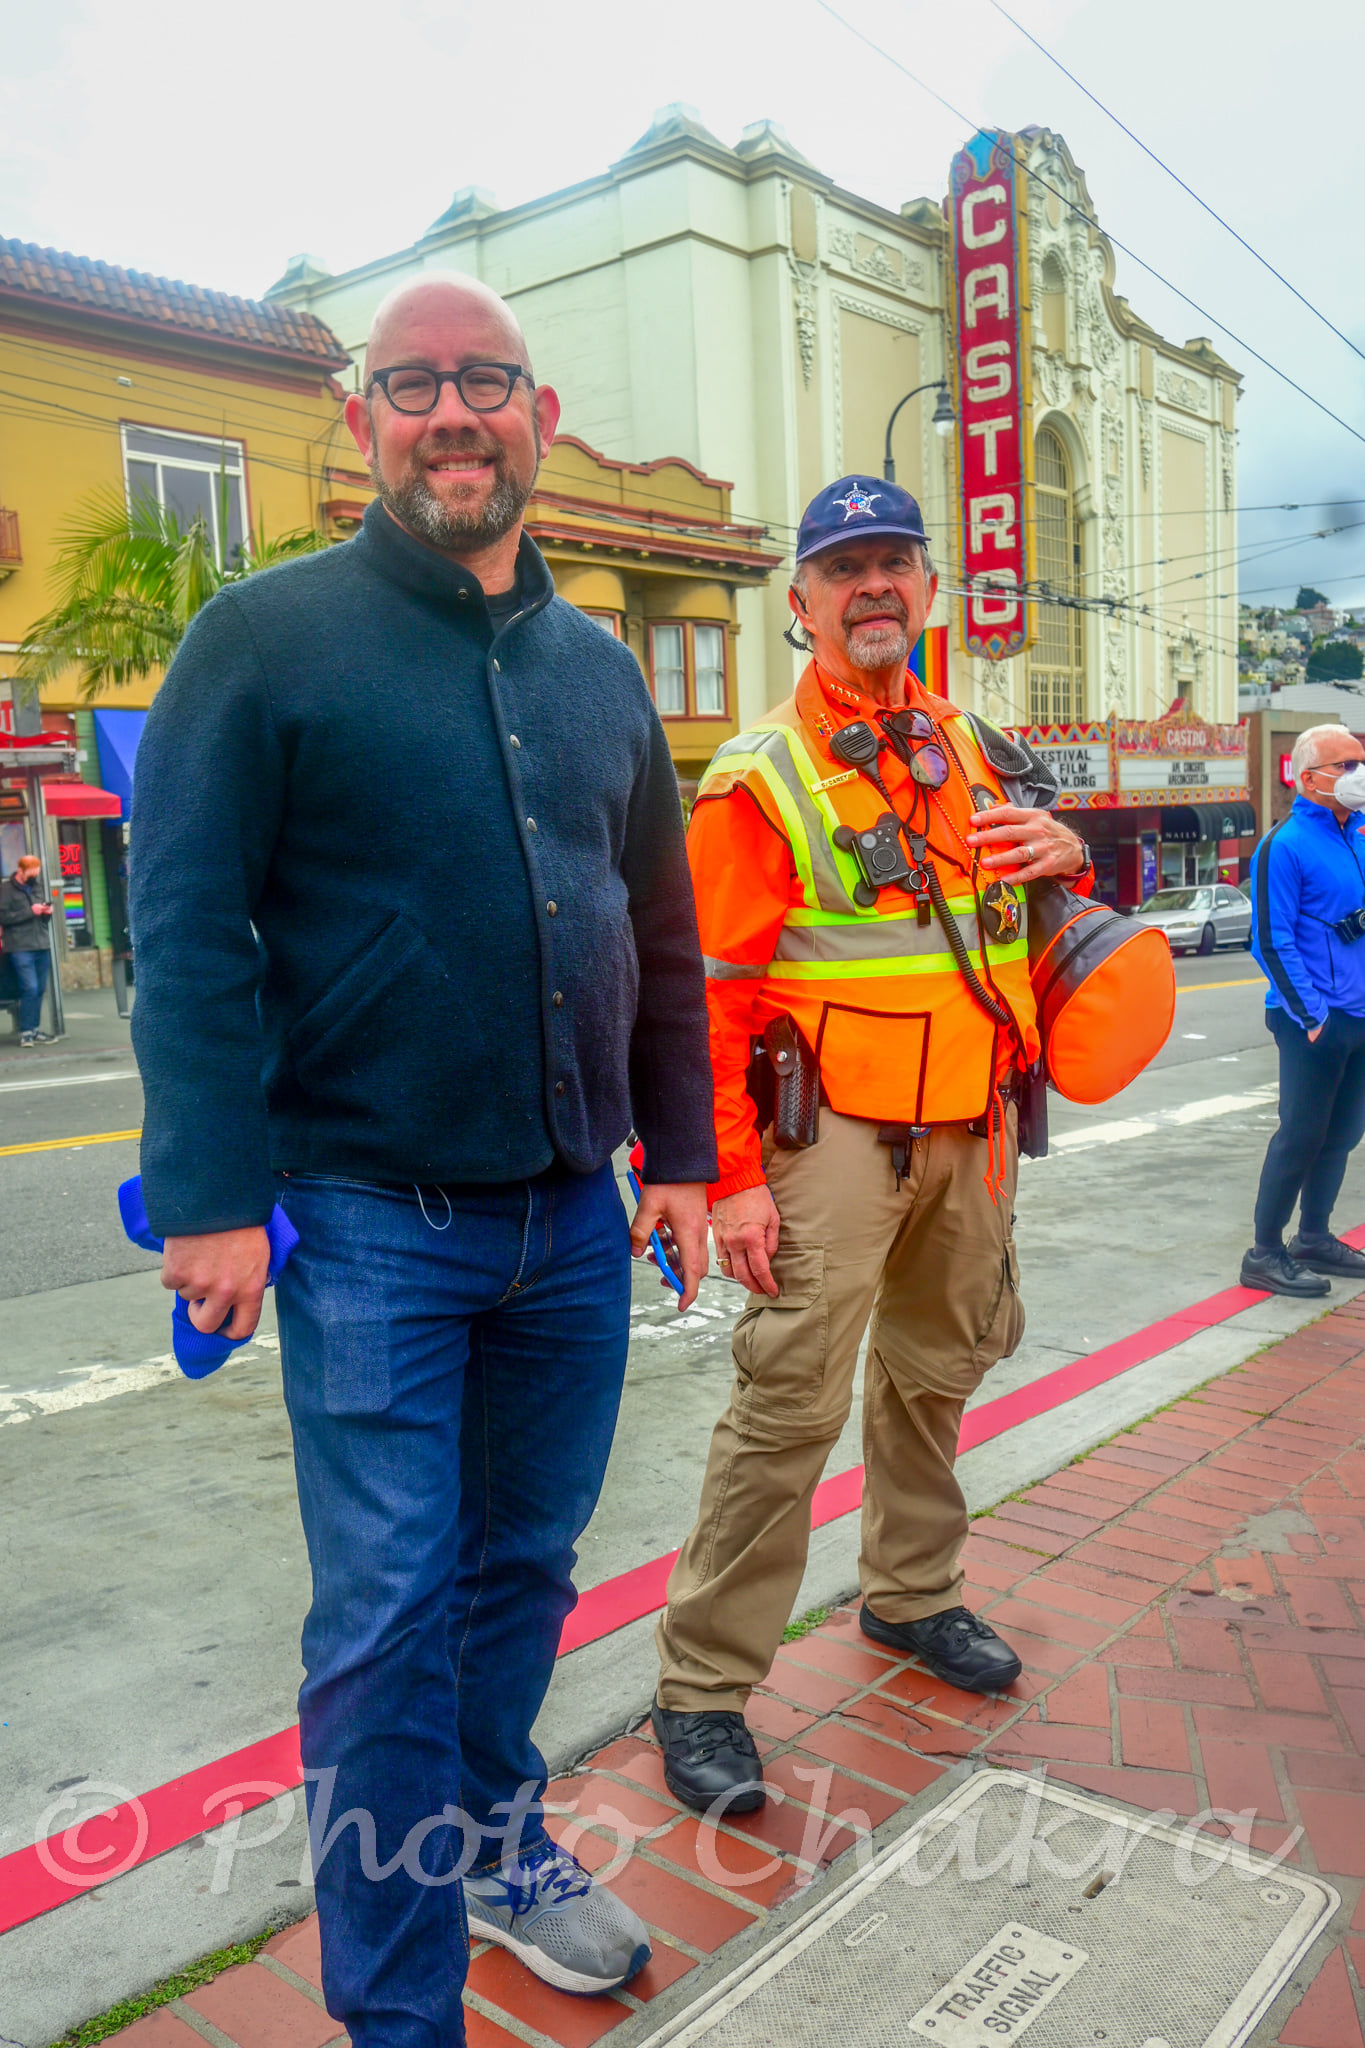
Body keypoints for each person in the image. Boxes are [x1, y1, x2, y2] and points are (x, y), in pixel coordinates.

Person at [129, 274, 717, 2044]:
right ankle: (399, 2013)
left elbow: (663, 932)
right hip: (376, 1225)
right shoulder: (264, 637)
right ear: (365, 422)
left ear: (537, 415)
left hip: (570, 1217)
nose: (451, 411)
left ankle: (491, 1842)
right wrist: (216, 1187)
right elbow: (187, 923)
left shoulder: (599, 661)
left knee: (522, 1573)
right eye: (413, 384)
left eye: (485, 382)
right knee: (387, 1617)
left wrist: (681, 1153)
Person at [651, 477, 1093, 1814]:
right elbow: (707, 997)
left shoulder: (978, 750)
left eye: (895, 560)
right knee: (785, 1409)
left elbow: (1035, 933)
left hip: (968, 1131)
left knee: (933, 1382)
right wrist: (727, 1179)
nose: (874, 587)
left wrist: (1069, 851)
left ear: (930, 588)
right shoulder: (757, 779)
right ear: (801, 605)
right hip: (828, 1140)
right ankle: (704, 1689)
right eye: (845, 568)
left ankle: (910, 1596)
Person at [1242, 722, 1365, 1296]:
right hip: (1314, 1021)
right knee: (1301, 1136)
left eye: (1359, 763)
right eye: (1345, 765)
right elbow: (1271, 940)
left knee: (1341, 1136)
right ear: (1309, 777)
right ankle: (1265, 1251)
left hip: (1361, 1018)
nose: (1356, 775)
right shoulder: (1283, 844)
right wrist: (1314, 1018)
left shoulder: (1360, 834)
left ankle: (1313, 1237)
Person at [0, 852, 54, 1046]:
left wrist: (46, 913)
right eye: (31, 873)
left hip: (40, 942)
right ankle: (26, 1032)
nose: (34, 877)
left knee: (39, 989)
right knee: (29, 987)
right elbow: (4, 917)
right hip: (19, 946)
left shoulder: (36, 886)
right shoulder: (6, 889)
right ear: (20, 871)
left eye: (36, 873)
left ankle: (35, 1028)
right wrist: (30, 912)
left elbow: (42, 918)